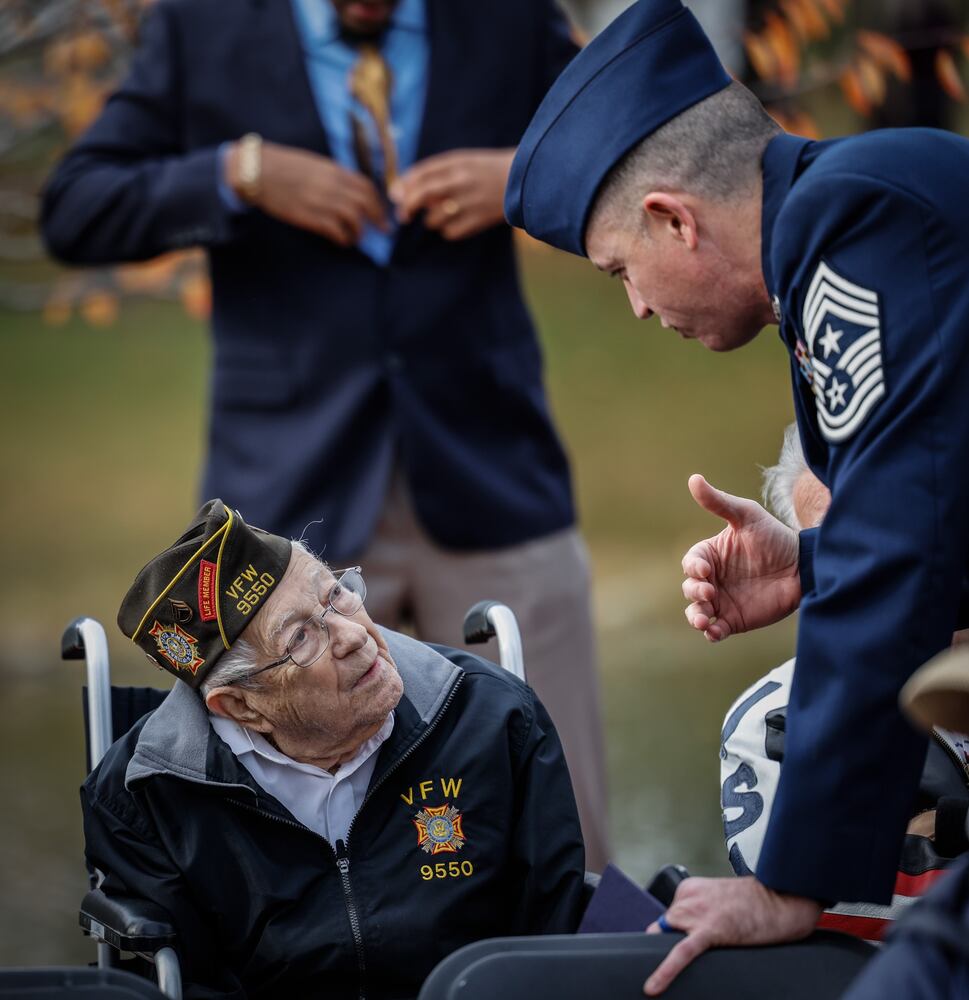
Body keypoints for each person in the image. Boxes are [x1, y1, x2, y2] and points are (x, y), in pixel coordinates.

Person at [40, 0, 608, 870]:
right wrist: (240, 172)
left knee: (563, 825)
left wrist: (522, 175)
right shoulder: (201, 25)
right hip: (283, 516)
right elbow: (75, 208)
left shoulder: (508, 15)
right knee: (289, 858)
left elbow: (635, 138)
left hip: (495, 471)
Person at [504, 0, 969, 991]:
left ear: (675, 217)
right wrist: (812, 562)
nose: (635, 306)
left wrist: (790, 882)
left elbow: (899, 552)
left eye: (623, 268)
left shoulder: (856, 221)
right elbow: (927, 508)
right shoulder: (846, 222)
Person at [83, 499, 585, 999]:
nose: (353, 634)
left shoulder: (490, 717)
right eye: (302, 637)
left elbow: (556, 929)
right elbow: (189, 985)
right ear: (241, 706)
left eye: (337, 595)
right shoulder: (142, 799)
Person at [721, 425, 969, 940]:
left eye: (894, 527)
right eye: (842, 549)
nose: (879, 565)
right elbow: (839, 917)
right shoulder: (775, 718)